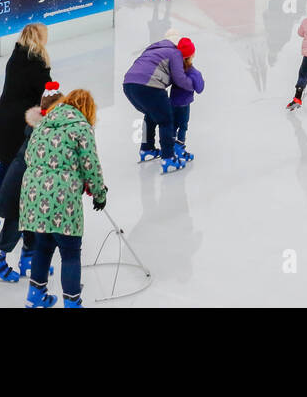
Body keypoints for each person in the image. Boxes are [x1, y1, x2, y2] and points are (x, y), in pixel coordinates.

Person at [20, 89, 107, 309]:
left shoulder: (42, 125)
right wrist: (99, 194)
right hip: (63, 200)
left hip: (33, 196)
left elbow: (29, 156)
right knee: (70, 253)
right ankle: (72, 304)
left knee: (43, 246)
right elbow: (91, 166)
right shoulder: (81, 127)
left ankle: (35, 297)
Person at [0, 80, 63, 283]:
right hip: (19, 186)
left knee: (31, 225)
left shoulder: (42, 126)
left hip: (29, 186)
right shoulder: (43, 131)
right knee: (14, 226)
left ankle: (28, 260)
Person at [0, 23, 51, 230]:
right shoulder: (36, 62)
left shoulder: (15, 57)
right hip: (18, 122)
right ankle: (7, 212)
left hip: (2, 118)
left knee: (5, 164)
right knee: (14, 167)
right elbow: (46, 94)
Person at [122, 36, 198, 173]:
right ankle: (168, 157)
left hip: (129, 85)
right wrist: (193, 84)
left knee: (151, 115)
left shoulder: (156, 48)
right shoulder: (176, 54)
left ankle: (147, 148)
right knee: (166, 119)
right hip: (149, 86)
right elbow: (180, 79)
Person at [170, 52, 204, 161]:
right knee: (183, 126)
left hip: (173, 102)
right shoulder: (193, 72)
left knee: (173, 125)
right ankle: (179, 148)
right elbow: (199, 88)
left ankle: (169, 147)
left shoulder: (176, 69)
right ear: (191, 56)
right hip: (184, 104)